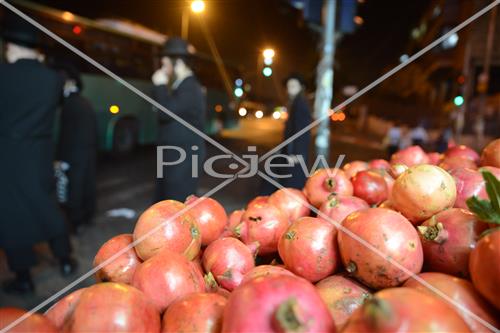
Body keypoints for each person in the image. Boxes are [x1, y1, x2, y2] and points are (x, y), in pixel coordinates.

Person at [0, 14, 76, 293]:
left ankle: (24, 277)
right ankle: (66, 258)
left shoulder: (3, 75)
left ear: (12, 46)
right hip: (41, 152)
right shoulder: (52, 79)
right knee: (47, 206)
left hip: (8, 153)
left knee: (11, 214)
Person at [152, 37, 206, 202]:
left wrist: (159, 85)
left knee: (177, 205)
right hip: (175, 157)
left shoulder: (190, 87)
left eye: (166, 62)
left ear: (178, 63)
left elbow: (165, 113)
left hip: (183, 160)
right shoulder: (182, 86)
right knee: (166, 203)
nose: (163, 66)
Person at [55, 63, 97, 234]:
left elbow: (66, 135)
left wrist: (61, 158)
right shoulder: (85, 102)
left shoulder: (69, 104)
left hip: (74, 153)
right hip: (88, 151)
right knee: (87, 184)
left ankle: (76, 222)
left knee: (75, 188)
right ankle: (87, 216)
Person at [261, 73, 312, 194]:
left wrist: (297, 154)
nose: (290, 89)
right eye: (289, 86)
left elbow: (302, 130)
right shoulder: (295, 103)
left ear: (301, 87)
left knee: (292, 186)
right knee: (285, 182)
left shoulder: (300, 104)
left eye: (294, 86)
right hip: (290, 152)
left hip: (294, 155)